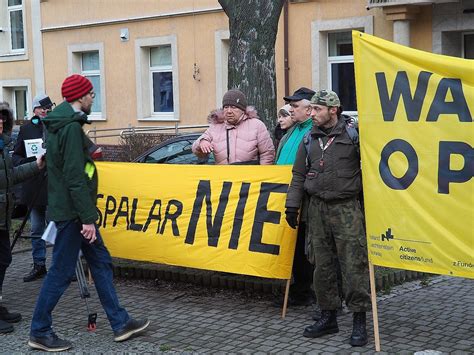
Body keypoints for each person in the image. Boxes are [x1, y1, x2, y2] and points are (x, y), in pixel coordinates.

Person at [28, 74, 149, 352]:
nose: (94, 97)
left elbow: (70, 165)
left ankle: (120, 323)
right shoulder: (69, 128)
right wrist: (87, 219)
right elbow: (74, 176)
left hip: (69, 211)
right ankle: (39, 330)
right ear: (79, 97)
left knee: (101, 261)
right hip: (73, 214)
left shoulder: (62, 124)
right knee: (60, 271)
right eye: (91, 93)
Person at [285, 90, 370, 347]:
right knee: (322, 266)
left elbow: (370, 173)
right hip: (317, 209)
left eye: (317, 110)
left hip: (346, 209)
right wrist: (292, 206)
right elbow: (299, 175)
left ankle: (359, 319)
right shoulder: (309, 138)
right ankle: (328, 315)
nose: (312, 114)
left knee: (353, 265)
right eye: (310, 109)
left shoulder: (354, 136)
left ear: (333, 110)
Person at [0, 101, 45, 334]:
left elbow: (12, 175)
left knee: (4, 260)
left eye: (2, 119)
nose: (0, 123)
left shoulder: (2, 148)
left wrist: (37, 165)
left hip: (3, 215)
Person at [274, 88, 316, 307]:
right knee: (293, 245)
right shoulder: (293, 130)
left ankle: (306, 291)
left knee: (303, 247)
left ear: (309, 109)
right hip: (285, 195)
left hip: (305, 197)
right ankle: (298, 290)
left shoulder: (315, 131)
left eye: (295, 105)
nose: (291, 109)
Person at [12, 94, 51, 282]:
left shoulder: (56, 128)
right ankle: (39, 265)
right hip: (34, 187)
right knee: (37, 229)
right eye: (40, 108)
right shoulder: (26, 130)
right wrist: (30, 162)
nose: (44, 111)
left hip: (53, 188)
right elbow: (16, 157)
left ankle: (66, 266)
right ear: (34, 110)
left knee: (59, 228)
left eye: (46, 108)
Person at [192, 89, 275, 165]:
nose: (229, 111)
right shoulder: (215, 128)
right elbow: (197, 151)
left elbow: (267, 154)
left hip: (250, 179)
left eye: (233, 107)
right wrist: (202, 142)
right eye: (226, 107)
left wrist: (263, 175)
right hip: (223, 179)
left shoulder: (257, 125)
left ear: (243, 109)